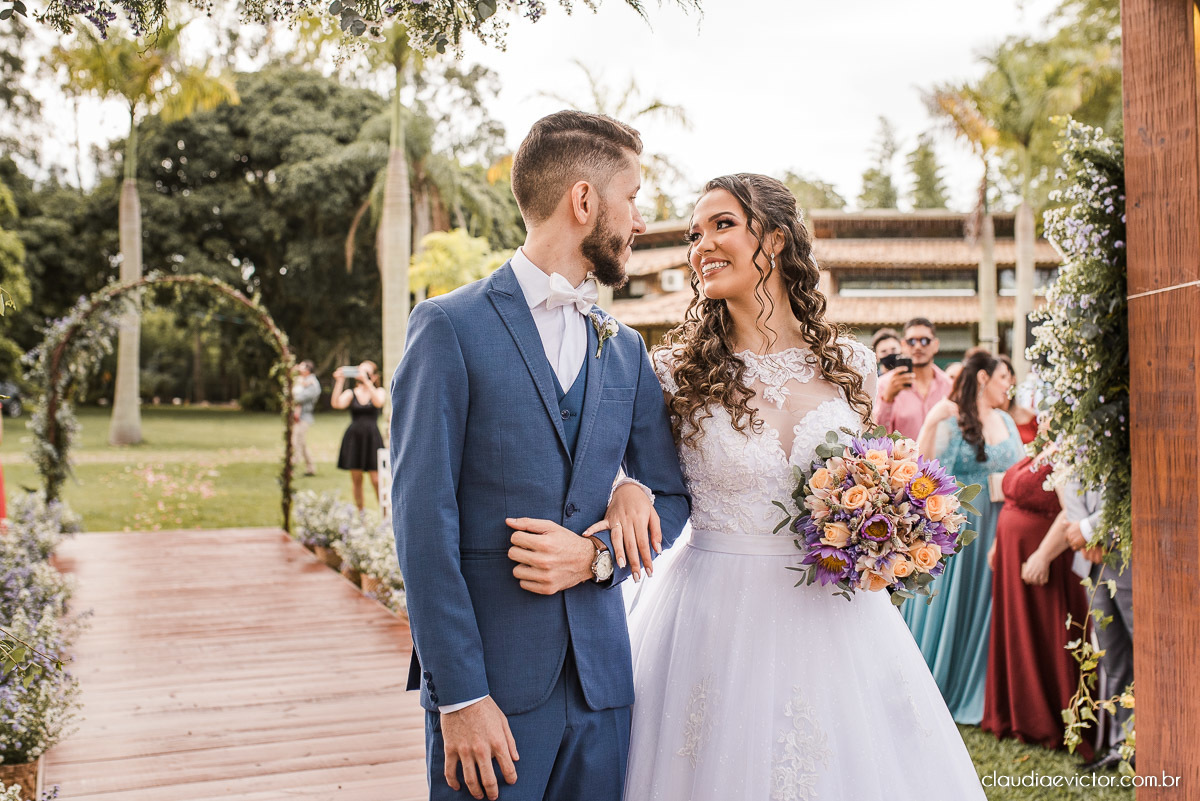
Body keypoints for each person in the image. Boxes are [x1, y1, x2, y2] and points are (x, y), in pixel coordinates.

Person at [606, 174, 985, 799]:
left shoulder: (852, 365)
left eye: (722, 225)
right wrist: (627, 489)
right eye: (695, 233)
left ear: (775, 239)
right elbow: (625, 466)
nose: (701, 245)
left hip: (836, 614)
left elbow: (870, 469)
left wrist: (887, 518)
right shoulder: (672, 373)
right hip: (711, 612)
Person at [389, 110, 690, 801]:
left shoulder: (626, 348)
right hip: (489, 696)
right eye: (633, 195)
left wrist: (610, 532)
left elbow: (670, 494)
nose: (640, 219)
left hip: (603, 695)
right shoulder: (448, 328)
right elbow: (420, 527)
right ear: (584, 201)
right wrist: (459, 696)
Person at [905, 347, 1024, 724]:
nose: (1010, 384)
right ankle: (949, 682)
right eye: (1004, 377)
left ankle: (991, 689)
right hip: (963, 527)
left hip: (1002, 523)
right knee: (958, 603)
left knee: (993, 606)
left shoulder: (1006, 418)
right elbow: (921, 473)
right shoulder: (949, 416)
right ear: (985, 378)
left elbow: (1021, 471)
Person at [981, 442, 1093, 759]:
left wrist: (1043, 555)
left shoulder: (1068, 453)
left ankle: (1049, 719)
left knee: (1045, 635)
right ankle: (1016, 713)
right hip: (1013, 556)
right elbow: (1012, 500)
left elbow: (1069, 512)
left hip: (1044, 557)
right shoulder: (1039, 450)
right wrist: (998, 543)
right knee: (1018, 633)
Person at [1060, 481, 1133, 772]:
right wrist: (1083, 535)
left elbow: (1130, 487)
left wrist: (1091, 530)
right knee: (1113, 656)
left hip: (1131, 555)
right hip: (1092, 561)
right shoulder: (1078, 436)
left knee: (1148, 654)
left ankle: (1158, 742)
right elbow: (1073, 476)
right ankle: (1125, 744)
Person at [874, 317, 953, 439]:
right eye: (911, 341)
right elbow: (876, 438)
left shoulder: (949, 386)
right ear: (903, 345)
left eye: (924, 341)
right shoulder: (884, 385)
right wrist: (887, 400)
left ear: (936, 345)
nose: (917, 346)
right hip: (903, 458)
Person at [332, 360, 386, 511]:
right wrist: (339, 381)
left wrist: (367, 383)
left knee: (376, 479)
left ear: (374, 376)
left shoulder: (379, 391)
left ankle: (385, 513)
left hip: (372, 438)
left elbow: (379, 402)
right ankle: (360, 513)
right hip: (354, 439)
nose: (362, 376)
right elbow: (337, 404)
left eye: (367, 373)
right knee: (356, 479)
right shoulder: (351, 393)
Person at [997, 354, 1038, 444]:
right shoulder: (986, 418)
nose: (998, 383)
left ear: (1013, 379)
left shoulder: (1031, 416)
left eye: (1003, 377)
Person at [291, 360, 321, 476]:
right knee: (302, 444)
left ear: (308, 370)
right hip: (297, 416)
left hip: (303, 417)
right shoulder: (302, 381)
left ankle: (290, 471)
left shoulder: (312, 384)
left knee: (296, 443)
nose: (299, 369)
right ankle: (311, 468)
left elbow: (299, 398)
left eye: (302, 367)